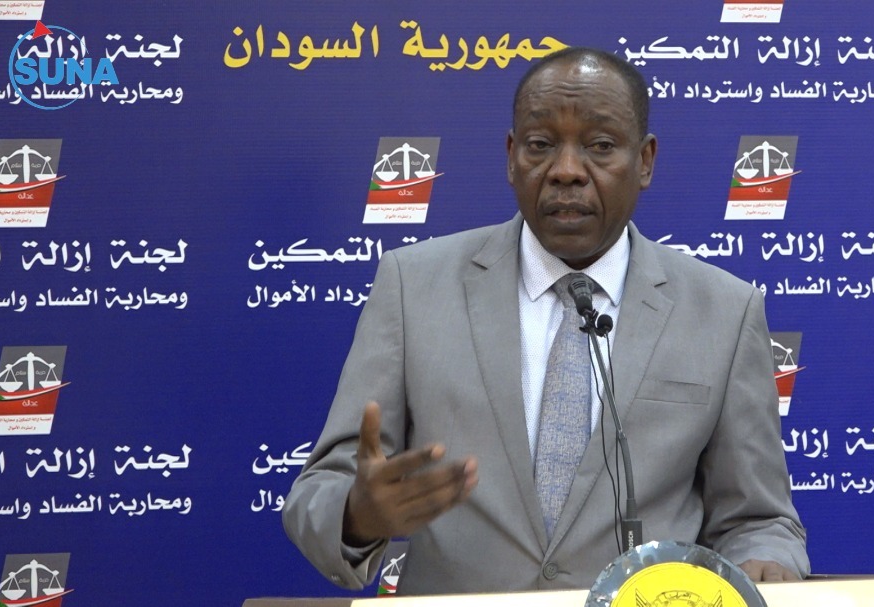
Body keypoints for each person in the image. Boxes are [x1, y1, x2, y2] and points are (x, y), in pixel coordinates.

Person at [283, 46, 808, 595]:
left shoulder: (724, 312)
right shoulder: (412, 287)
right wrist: (356, 516)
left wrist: (764, 564)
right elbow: (319, 492)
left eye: (600, 146)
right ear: (512, 157)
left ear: (645, 161)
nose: (566, 171)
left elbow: (758, 519)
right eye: (540, 145)